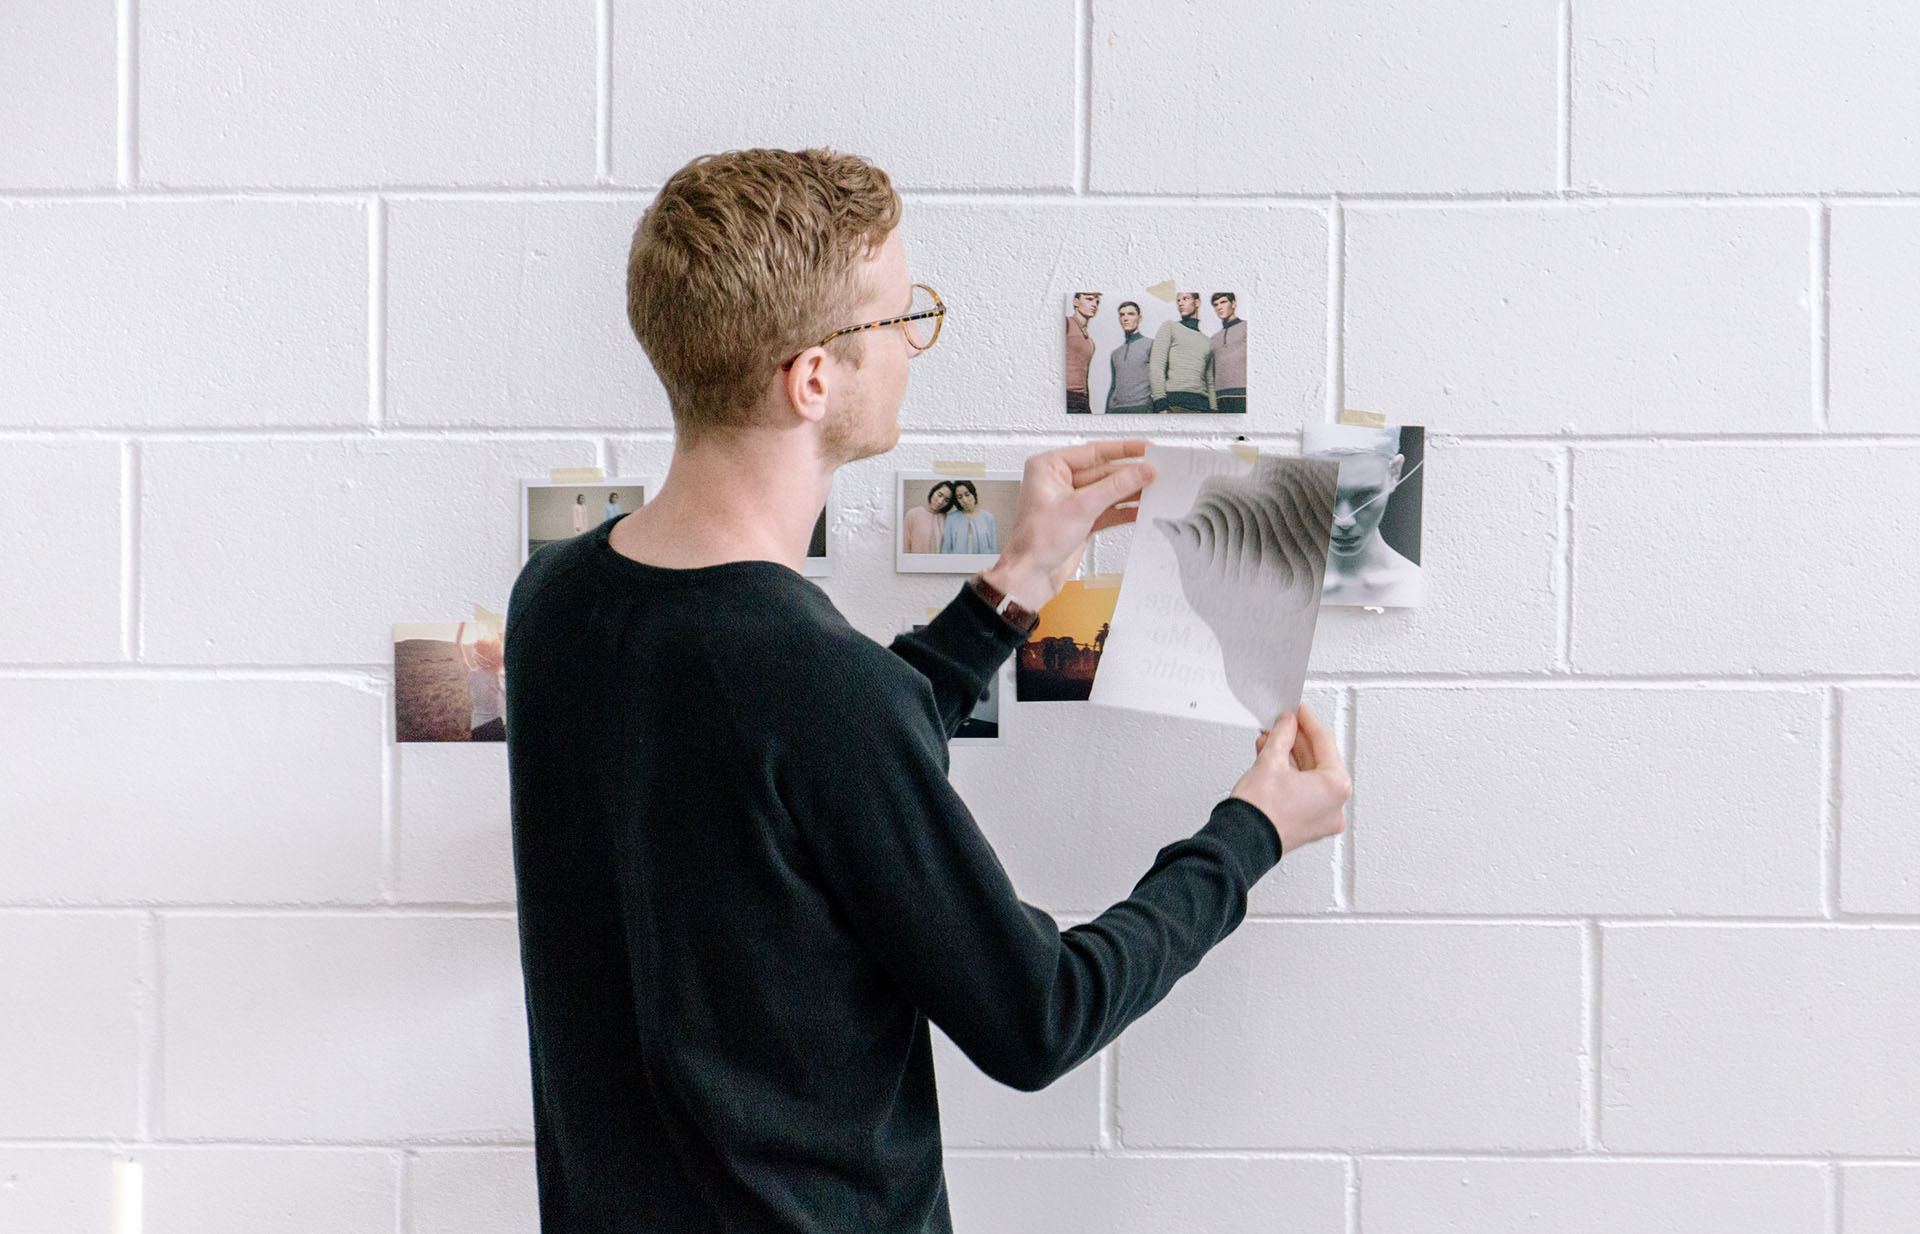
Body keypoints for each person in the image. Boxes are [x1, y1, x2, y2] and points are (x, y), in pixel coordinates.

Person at [503, 147, 1350, 1234]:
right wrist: (1253, 833)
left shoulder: (556, 601)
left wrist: (1016, 584)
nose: (912, 345)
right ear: (813, 379)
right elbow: (1041, 1015)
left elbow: (809, 771)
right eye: (902, 320)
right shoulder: (814, 689)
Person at [1317, 427, 1423, 608]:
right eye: (1325, 494)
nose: (1344, 521)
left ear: (1394, 473)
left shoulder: (1414, 585)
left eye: (1364, 496)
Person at [1149, 291, 1215, 412]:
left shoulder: (1208, 341)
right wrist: (1160, 403)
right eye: (1178, 300)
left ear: (1197, 302)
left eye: (1185, 299)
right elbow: (1157, 366)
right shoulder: (1170, 327)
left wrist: (1214, 409)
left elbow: (1209, 380)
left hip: (1202, 407)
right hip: (1174, 403)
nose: (1180, 303)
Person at [454, 621, 506, 741]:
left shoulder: (471, 674)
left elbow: (458, 645)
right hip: (496, 724)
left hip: (478, 726)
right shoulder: (497, 673)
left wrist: (462, 625)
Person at [1105, 300, 1154, 414]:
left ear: (1139, 318)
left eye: (1130, 314)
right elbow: (1113, 386)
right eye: (1122, 315)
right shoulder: (1115, 354)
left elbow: (1161, 378)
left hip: (1142, 408)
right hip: (1117, 410)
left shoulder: (1151, 345)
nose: (1126, 318)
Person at [1208, 292, 1247, 414]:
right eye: (1216, 304)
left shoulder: (1247, 327)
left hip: (1243, 394)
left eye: (1223, 302)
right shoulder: (1214, 338)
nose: (1219, 307)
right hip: (1221, 397)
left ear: (1234, 304)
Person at [1063, 291, 1100, 413]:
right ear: (1076, 302)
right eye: (1089, 299)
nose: (1094, 304)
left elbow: (1084, 374)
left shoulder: (1090, 341)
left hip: (1082, 400)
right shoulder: (1066, 323)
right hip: (1066, 396)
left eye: (1097, 301)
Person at [939, 479, 997, 554]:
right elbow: (946, 549)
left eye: (967, 494)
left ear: (973, 494)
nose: (965, 500)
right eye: (960, 497)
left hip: (984, 564)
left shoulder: (988, 517)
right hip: (960, 564)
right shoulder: (951, 519)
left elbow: (993, 547)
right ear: (957, 500)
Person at [903, 480, 953, 553]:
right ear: (933, 492)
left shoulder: (948, 520)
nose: (940, 501)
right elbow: (905, 545)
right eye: (939, 495)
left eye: (946, 500)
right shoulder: (912, 514)